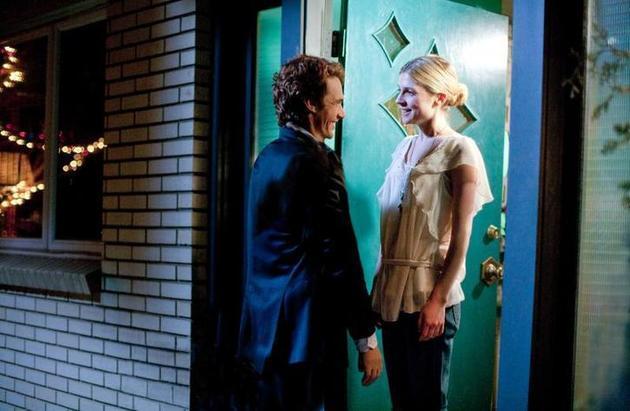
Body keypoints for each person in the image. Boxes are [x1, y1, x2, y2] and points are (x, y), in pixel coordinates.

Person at [238, 54, 382, 411]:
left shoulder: (268, 157)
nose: (342, 113)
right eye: (337, 102)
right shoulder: (320, 162)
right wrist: (365, 337)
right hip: (308, 336)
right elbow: (340, 254)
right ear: (310, 104)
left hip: (265, 332)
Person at [370, 55, 493, 410]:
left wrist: (438, 300)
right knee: (402, 403)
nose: (400, 100)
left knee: (427, 403)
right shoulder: (403, 147)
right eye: (399, 91)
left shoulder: (460, 149)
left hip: (429, 295)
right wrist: (378, 288)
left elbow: (461, 236)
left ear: (439, 97)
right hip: (392, 294)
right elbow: (391, 231)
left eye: (410, 92)